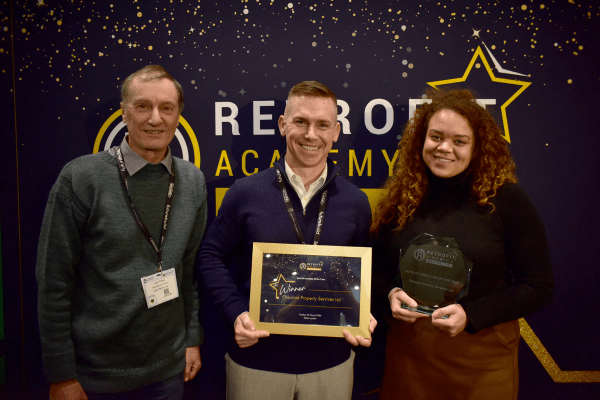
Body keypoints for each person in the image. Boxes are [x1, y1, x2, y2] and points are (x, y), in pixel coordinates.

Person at [36, 65, 207, 400]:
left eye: (166, 108)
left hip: (168, 371)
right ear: (124, 113)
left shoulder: (193, 182)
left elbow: (189, 273)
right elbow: (54, 282)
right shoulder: (82, 178)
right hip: (95, 376)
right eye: (142, 106)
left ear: (178, 116)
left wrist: (191, 339)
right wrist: (61, 374)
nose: (155, 118)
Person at [198, 81, 377, 400]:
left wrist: (363, 310)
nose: (312, 135)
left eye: (323, 125)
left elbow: (365, 274)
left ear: (335, 132)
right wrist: (236, 311)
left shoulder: (355, 202)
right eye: (301, 122)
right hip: (256, 362)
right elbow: (211, 257)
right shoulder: (244, 193)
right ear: (283, 124)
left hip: (331, 365)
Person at [371, 89, 554, 400]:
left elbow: (538, 286)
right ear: (421, 141)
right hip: (410, 357)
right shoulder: (403, 197)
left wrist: (472, 315)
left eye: (459, 141)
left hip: (481, 361)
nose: (445, 148)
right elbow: (375, 270)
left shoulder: (508, 200)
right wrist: (390, 293)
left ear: (477, 147)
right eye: (436, 137)